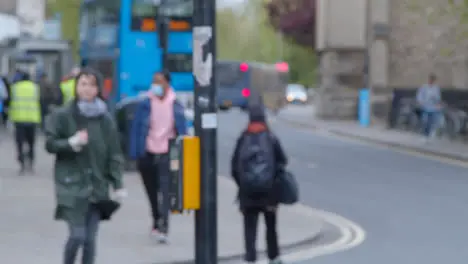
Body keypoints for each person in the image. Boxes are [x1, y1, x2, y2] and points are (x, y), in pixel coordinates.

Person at [45, 68, 127, 264]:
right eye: (83, 84)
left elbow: (114, 153)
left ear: (98, 89)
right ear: (76, 86)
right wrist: (70, 143)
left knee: (90, 240)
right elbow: (50, 144)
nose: (87, 89)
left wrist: (117, 183)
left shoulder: (105, 119)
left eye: (92, 85)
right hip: (71, 186)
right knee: (77, 236)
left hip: (97, 186)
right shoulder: (64, 115)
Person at [129, 70, 187, 243]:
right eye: (154, 81)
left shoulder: (175, 104)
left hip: (167, 152)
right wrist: (134, 152)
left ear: (168, 84)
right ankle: (156, 219)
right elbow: (136, 129)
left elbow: (182, 129)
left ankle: (164, 226)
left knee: (166, 190)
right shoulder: (146, 104)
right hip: (147, 152)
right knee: (152, 191)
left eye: (159, 82)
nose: (156, 85)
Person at [231, 104, 287, 264]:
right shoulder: (271, 138)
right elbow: (282, 161)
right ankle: (273, 256)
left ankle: (250, 258)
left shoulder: (243, 138)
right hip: (269, 192)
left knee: (250, 227)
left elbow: (234, 166)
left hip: (248, 192)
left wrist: (242, 185)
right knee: (270, 226)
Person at [9, 71, 41, 174]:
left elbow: (10, 101)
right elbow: (39, 100)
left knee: (20, 143)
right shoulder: (35, 87)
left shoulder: (15, 87)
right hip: (32, 119)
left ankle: (22, 162)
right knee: (31, 143)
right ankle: (31, 162)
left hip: (19, 119)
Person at [416, 73, 442, 140]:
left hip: (433, 108)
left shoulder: (436, 88)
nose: (431, 81)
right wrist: (420, 102)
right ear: (429, 79)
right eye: (430, 79)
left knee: (432, 122)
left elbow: (438, 98)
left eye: (433, 80)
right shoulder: (424, 87)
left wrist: (437, 103)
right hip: (425, 107)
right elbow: (419, 96)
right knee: (425, 121)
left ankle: (428, 135)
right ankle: (425, 135)